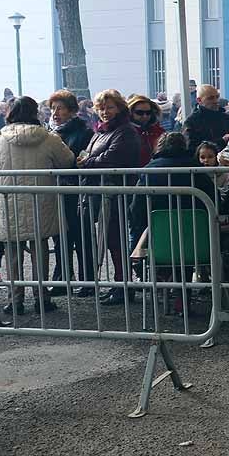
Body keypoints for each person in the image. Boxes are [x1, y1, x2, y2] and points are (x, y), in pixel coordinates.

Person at [0, 97, 76, 315]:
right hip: (41, 202)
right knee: (40, 252)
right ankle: (42, 298)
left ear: (10, 114)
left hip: (9, 204)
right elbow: (66, 160)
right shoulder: (50, 139)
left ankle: (15, 300)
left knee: (13, 254)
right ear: (36, 113)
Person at [128, 132, 218, 312]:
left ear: (160, 146)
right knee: (185, 248)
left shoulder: (149, 170)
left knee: (163, 242)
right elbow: (215, 201)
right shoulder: (197, 170)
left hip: (160, 236)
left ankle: (165, 283)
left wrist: (139, 227)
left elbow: (136, 208)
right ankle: (182, 297)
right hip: (195, 237)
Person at [77, 89, 141, 303]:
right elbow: (89, 154)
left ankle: (124, 285)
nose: (105, 112)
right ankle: (119, 284)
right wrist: (87, 161)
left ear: (120, 108)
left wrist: (87, 162)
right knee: (112, 240)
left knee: (117, 240)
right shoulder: (100, 131)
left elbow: (113, 157)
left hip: (117, 192)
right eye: (101, 108)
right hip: (103, 191)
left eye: (109, 107)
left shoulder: (126, 131)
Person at [47, 90, 93, 290]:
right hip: (58, 189)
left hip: (76, 189)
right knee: (60, 237)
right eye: (53, 108)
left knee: (81, 235)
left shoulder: (83, 131)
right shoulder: (49, 132)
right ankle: (62, 278)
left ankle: (87, 280)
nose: (56, 113)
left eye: (60, 108)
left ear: (72, 111)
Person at [183, 84, 229, 152]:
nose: (216, 101)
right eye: (210, 98)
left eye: (217, 97)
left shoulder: (228, 119)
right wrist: (222, 141)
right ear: (199, 100)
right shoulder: (191, 122)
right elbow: (191, 148)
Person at [126, 94, 165, 167]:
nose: (145, 116)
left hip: (153, 172)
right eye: (139, 113)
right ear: (130, 112)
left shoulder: (159, 131)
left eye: (148, 113)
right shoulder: (124, 132)